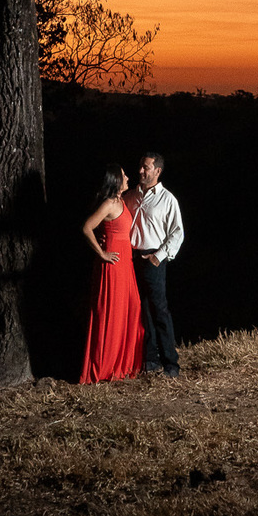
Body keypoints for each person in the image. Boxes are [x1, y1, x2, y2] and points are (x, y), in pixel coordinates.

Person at [78, 163, 146, 384]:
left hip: (126, 263)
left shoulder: (121, 201)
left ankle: (123, 363)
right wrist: (102, 253)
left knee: (132, 307)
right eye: (124, 175)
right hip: (113, 265)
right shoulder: (109, 204)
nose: (127, 177)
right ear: (116, 180)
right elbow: (87, 227)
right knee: (112, 313)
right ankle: (106, 367)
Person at [128, 150, 184, 378]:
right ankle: (150, 359)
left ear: (157, 171)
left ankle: (171, 363)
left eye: (146, 167)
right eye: (141, 166)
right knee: (141, 310)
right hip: (132, 257)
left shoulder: (167, 199)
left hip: (153, 257)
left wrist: (157, 256)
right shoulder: (131, 196)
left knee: (159, 309)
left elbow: (177, 232)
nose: (141, 171)